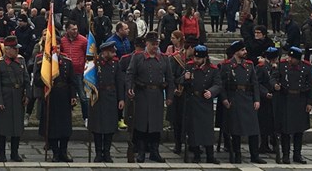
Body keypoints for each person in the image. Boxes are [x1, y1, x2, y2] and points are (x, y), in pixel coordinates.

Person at [126, 31, 174, 163]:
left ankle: (154, 151)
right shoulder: (137, 57)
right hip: (142, 95)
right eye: (153, 44)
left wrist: (169, 96)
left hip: (157, 95)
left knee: (156, 125)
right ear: (147, 44)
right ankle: (141, 151)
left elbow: (170, 78)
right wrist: (130, 88)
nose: (155, 47)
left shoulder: (164, 58)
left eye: (157, 44)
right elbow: (130, 74)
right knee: (141, 124)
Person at [220, 40, 265, 164]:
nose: (245, 52)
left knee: (254, 129)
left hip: (248, 98)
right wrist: (224, 99)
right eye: (242, 50)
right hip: (234, 98)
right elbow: (221, 85)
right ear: (236, 52)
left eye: (245, 50)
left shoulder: (249, 65)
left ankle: (254, 155)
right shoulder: (226, 65)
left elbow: (255, 83)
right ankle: (237, 154)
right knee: (236, 129)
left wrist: (257, 99)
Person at [272, 46, 312, 164]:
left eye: (292, 58)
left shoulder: (306, 67)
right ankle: (285, 154)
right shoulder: (282, 65)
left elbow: (311, 86)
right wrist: (275, 85)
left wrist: (310, 102)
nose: (289, 59)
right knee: (285, 130)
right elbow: (274, 77)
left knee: (299, 130)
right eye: (289, 56)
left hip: (300, 100)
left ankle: (297, 154)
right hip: (286, 99)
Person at [34, 41, 76, 162]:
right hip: (51, 97)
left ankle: (64, 152)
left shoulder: (67, 62)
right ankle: (55, 153)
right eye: (54, 47)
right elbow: (37, 80)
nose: (56, 49)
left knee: (65, 127)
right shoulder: (44, 62)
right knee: (52, 127)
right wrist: (46, 80)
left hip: (64, 97)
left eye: (58, 47)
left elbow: (72, 81)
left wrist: (73, 96)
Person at [0, 35, 30, 162]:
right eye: (14, 48)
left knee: (17, 127)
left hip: (18, 97)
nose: (17, 50)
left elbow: (26, 79)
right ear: (7, 50)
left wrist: (27, 95)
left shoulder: (21, 61)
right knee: (2, 128)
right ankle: (1, 153)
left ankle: (15, 153)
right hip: (5, 97)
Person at [183, 44, 222, 164]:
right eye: (195, 58)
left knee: (207, 129)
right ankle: (196, 154)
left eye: (199, 59)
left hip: (205, 101)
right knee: (194, 130)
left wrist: (211, 92)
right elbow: (179, 81)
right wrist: (185, 78)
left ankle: (210, 155)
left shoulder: (213, 69)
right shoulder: (189, 66)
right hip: (193, 101)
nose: (196, 61)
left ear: (205, 58)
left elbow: (218, 84)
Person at [88, 41, 124, 162]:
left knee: (109, 127)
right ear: (104, 52)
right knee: (97, 127)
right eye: (111, 51)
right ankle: (98, 152)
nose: (114, 53)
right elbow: (88, 80)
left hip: (111, 97)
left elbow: (119, 82)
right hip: (98, 97)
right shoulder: (95, 63)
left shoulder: (115, 64)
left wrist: (121, 99)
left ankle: (107, 152)